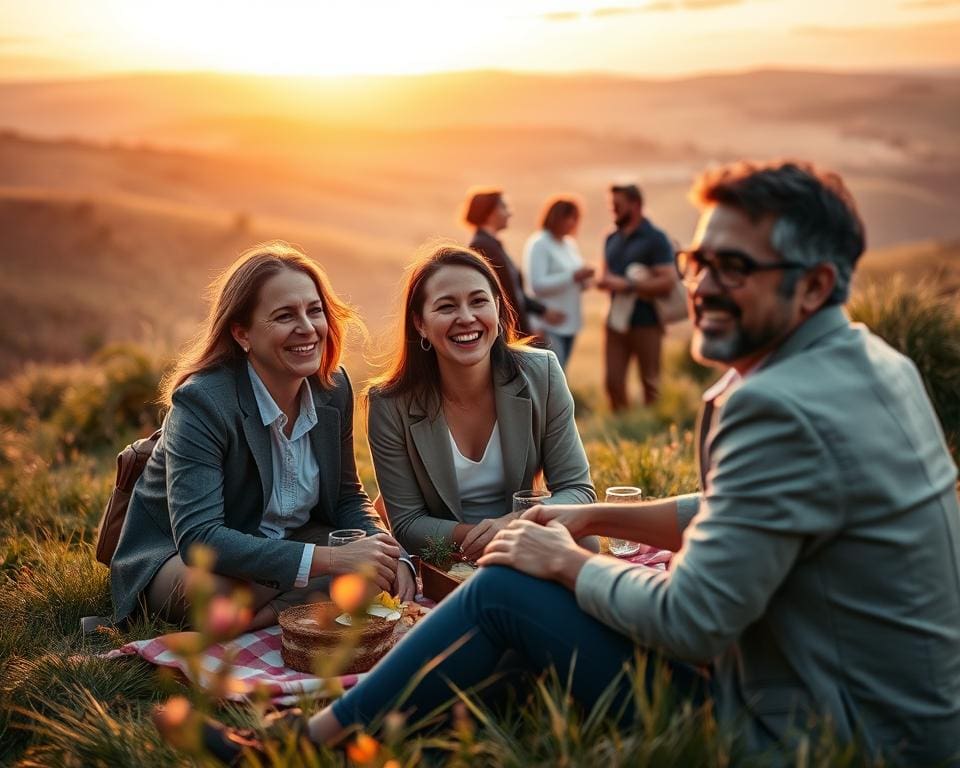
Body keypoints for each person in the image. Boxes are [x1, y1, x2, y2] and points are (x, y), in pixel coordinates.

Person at [195, 162, 960, 765]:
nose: (699, 286)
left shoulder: (774, 406)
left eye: (733, 267)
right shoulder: (874, 364)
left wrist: (565, 561)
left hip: (820, 738)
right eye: (698, 260)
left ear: (815, 285)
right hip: (897, 717)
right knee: (519, 597)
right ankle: (400, 730)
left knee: (507, 591)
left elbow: (692, 622)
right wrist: (590, 515)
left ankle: (302, 749)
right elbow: (737, 509)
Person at [110, 241, 415, 632]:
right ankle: (285, 609)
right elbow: (200, 539)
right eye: (285, 315)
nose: (307, 328)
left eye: (315, 310)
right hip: (183, 557)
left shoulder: (333, 387)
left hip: (289, 541)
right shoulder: (202, 401)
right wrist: (332, 561)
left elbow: (346, 496)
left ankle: (256, 621)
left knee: (371, 569)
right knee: (220, 596)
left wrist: (391, 555)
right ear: (242, 333)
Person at [365, 244, 596, 562]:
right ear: (420, 323)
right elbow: (408, 524)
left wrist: (513, 525)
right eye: (446, 307)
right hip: (446, 557)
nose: (466, 317)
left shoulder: (542, 372)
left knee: (586, 544)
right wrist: (486, 539)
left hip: (527, 543)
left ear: (498, 309)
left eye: (478, 301)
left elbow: (578, 492)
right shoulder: (388, 403)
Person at [597, 183, 676, 410]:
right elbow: (606, 273)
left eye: (617, 205)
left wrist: (628, 285)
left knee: (651, 383)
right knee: (613, 383)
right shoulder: (611, 238)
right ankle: (623, 425)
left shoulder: (656, 239)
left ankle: (653, 425)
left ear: (636, 205)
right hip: (615, 321)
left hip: (647, 321)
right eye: (611, 205)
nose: (613, 210)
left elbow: (668, 281)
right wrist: (603, 281)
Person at [463, 187, 565, 340]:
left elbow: (514, 292)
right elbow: (502, 295)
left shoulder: (492, 245)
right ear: (489, 212)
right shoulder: (482, 246)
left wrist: (542, 311)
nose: (509, 213)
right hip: (505, 335)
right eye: (504, 207)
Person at [522, 197, 595, 369]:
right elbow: (537, 285)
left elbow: (572, 280)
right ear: (556, 217)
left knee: (561, 373)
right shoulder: (540, 243)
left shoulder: (569, 244)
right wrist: (573, 276)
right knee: (552, 375)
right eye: (569, 217)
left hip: (570, 323)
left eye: (575, 218)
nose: (573, 222)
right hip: (548, 324)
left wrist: (585, 281)